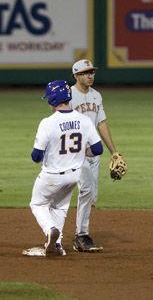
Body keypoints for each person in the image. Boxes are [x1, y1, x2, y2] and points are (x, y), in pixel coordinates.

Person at [25, 79, 103, 257]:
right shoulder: (83, 120)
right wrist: (81, 153)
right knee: (60, 208)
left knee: (37, 203)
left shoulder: (48, 122)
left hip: (51, 176)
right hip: (74, 176)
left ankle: (50, 230)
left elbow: (36, 157)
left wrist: (51, 153)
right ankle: (57, 245)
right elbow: (98, 149)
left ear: (53, 99)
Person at [69, 59, 123, 253]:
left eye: (92, 72)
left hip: (94, 153)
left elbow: (102, 124)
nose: (90, 75)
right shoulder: (68, 95)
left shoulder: (96, 96)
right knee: (86, 191)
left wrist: (114, 152)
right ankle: (81, 236)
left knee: (92, 196)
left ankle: (71, 232)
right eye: (85, 73)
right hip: (75, 155)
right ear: (76, 76)